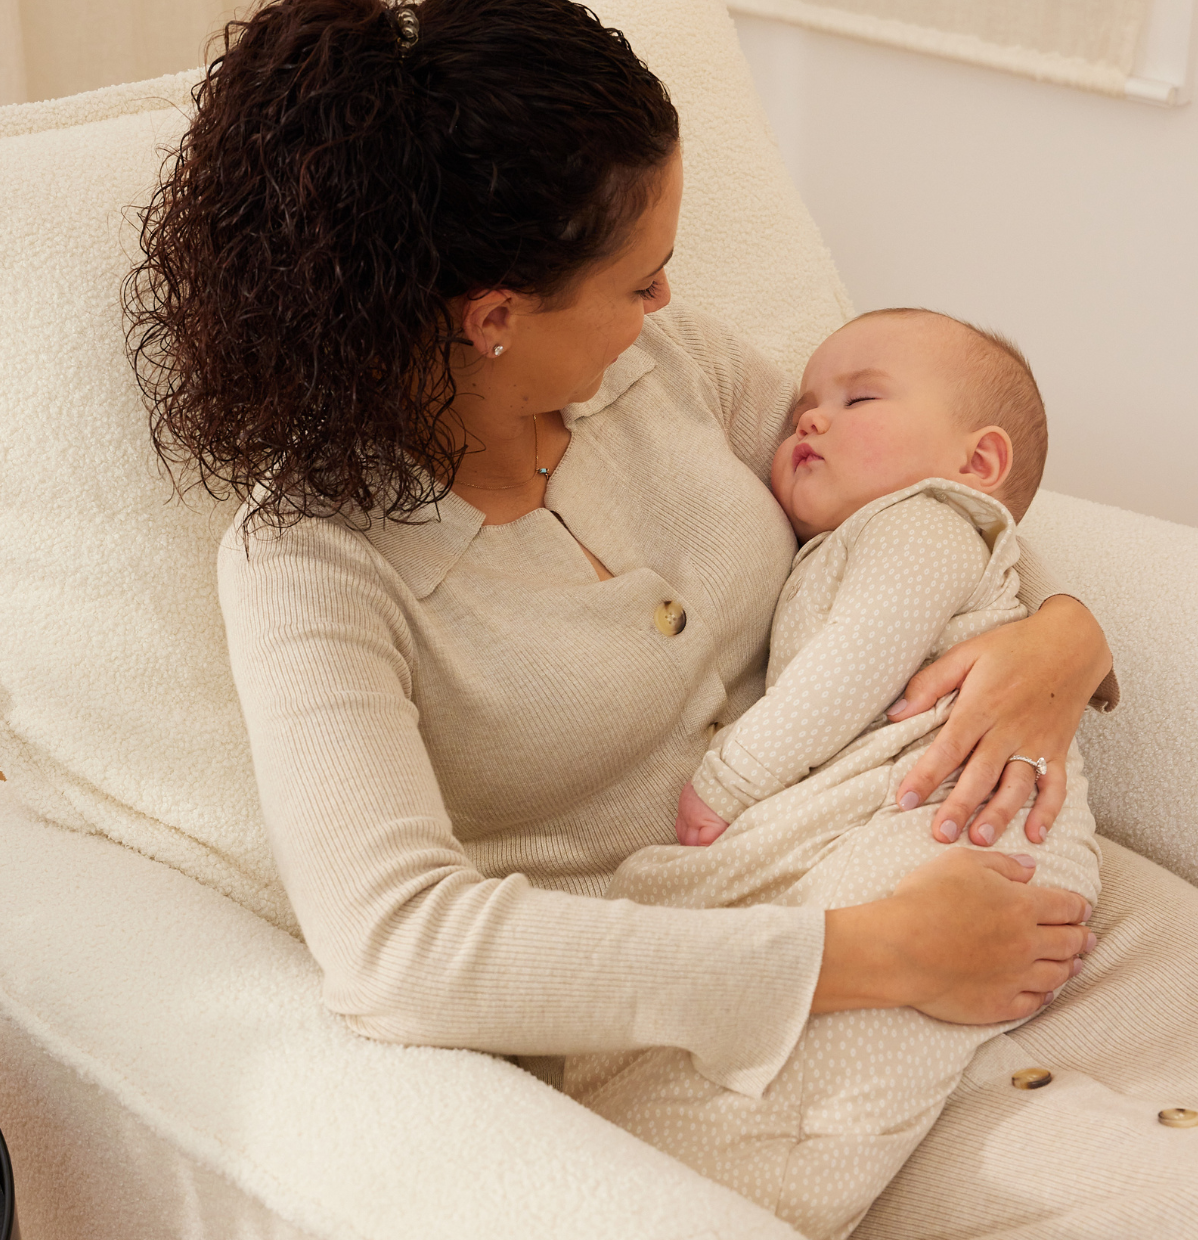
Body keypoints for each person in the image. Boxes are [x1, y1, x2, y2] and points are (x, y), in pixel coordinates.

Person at [124, 0, 1113, 1218]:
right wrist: (856, 956)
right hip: (693, 1025)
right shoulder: (313, 566)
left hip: (890, 853)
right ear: (494, 319)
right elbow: (400, 951)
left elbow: (921, 499)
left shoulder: (666, 366)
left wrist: (1063, 634)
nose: (666, 301)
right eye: (639, 279)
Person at [564, 307, 1101, 1239]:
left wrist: (728, 780)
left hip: (965, 820)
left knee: (858, 1037)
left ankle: (767, 1188)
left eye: (858, 399)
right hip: (907, 814)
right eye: (805, 403)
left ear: (977, 466)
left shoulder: (927, 524)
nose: (807, 419)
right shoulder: (870, 530)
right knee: (805, 950)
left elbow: (852, 663)